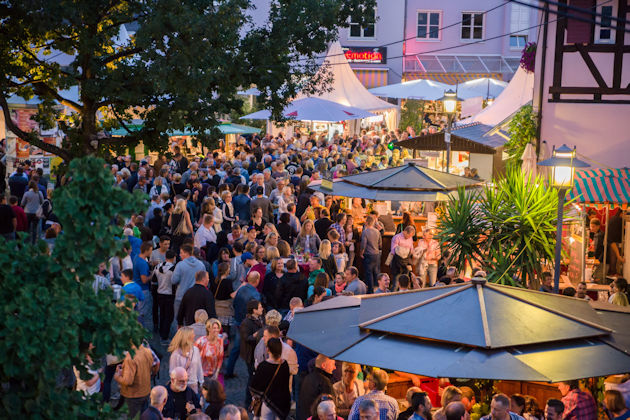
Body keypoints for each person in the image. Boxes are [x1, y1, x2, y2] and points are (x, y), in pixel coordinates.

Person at [250, 337, 292, 420]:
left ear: (268, 350)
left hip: (267, 402)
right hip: (282, 402)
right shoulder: (285, 364)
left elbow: (255, 385)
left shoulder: (263, 366)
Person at [113, 344, 154, 419]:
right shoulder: (147, 351)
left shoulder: (130, 358)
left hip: (134, 396)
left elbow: (127, 381)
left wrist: (117, 376)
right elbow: (150, 367)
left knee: (134, 417)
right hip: (146, 391)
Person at [173, 244, 207, 319]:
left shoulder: (180, 265)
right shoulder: (201, 265)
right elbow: (205, 280)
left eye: (181, 252)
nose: (180, 255)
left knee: (179, 320)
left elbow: (173, 280)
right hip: (196, 297)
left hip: (181, 296)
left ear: (186, 253)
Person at [240, 299, 264, 405]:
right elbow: (246, 338)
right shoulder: (246, 322)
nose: (262, 308)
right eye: (260, 307)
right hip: (251, 354)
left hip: (258, 352)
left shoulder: (260, 319)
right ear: (254, 310)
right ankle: (248, 401)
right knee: (252, 378)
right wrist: (257, 334)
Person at [298, 354, 336, 420]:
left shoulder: (307, 378)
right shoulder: (325, 382)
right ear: (323, 365)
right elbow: (330, 408)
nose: (334, 367)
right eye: (333, 364)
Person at [169, 327, 204, 393]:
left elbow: (199, 367)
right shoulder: (175, 354)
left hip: (193, 385)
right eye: (192, 334)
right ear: (187, 337)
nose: (194, 335)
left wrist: (202, 382)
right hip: (180, 387)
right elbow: (172, 372)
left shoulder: (195, 350)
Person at [155, 250, 176, 341]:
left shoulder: (157, 266)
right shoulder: (174, 269)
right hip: (169, 294)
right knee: (169, 315)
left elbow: (153, 279)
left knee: (162, 314)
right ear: (174, 258)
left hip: (159, 293)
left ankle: (161, 331)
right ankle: (165, 335)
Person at [360, 215, 382, 293]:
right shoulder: (377, 231)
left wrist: (361, 253)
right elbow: (380, 244)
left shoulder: (365, 232)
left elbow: (363, 244)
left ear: (366, 222)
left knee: (368, 273)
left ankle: (370, 290)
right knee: (376, 271)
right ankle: (378, 288)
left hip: (368, 254)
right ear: (373, 223)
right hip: (376, 254)